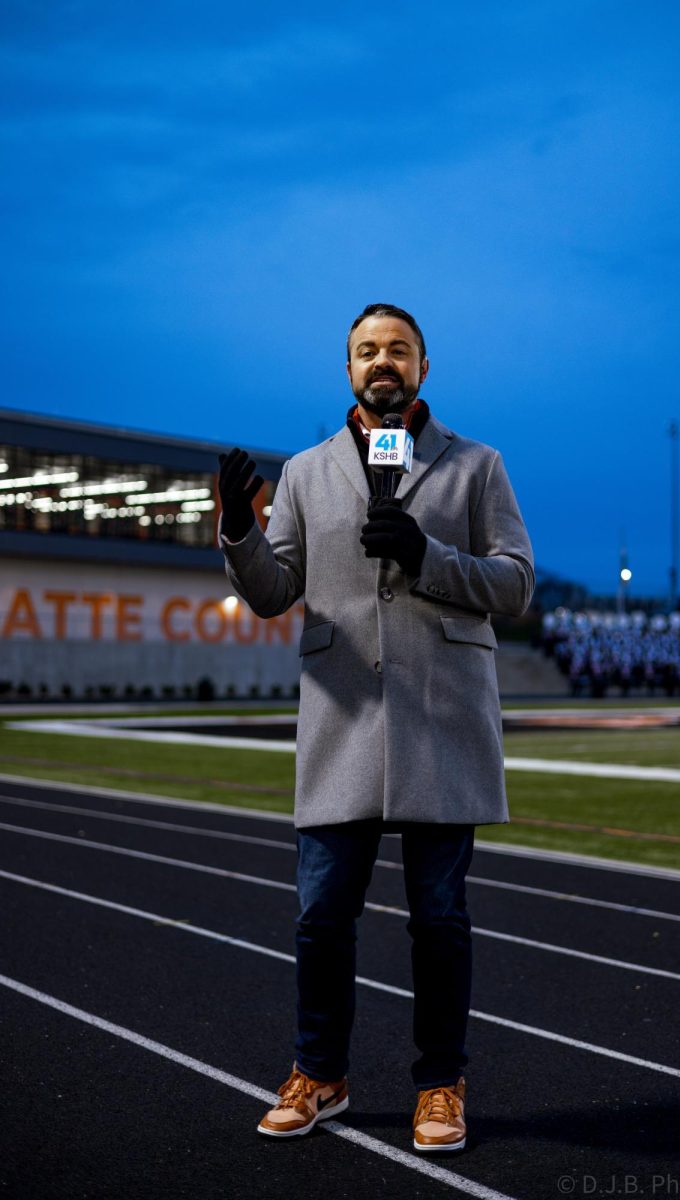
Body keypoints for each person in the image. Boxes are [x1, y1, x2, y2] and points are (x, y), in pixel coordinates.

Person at [217, 303, 534, 1153]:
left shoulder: (476, 466)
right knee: (321, 915)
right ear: (347, 371)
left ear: (423, 368)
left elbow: (514, 585)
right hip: (342, 715)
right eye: (366, 351)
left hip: (442, 717)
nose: (381, 361)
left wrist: (428, 557)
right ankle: (318, 1074)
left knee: (438, 918)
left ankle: (439, 1085)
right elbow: (274, 591)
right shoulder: (305, 472)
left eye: (397, 349)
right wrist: (239, 529)